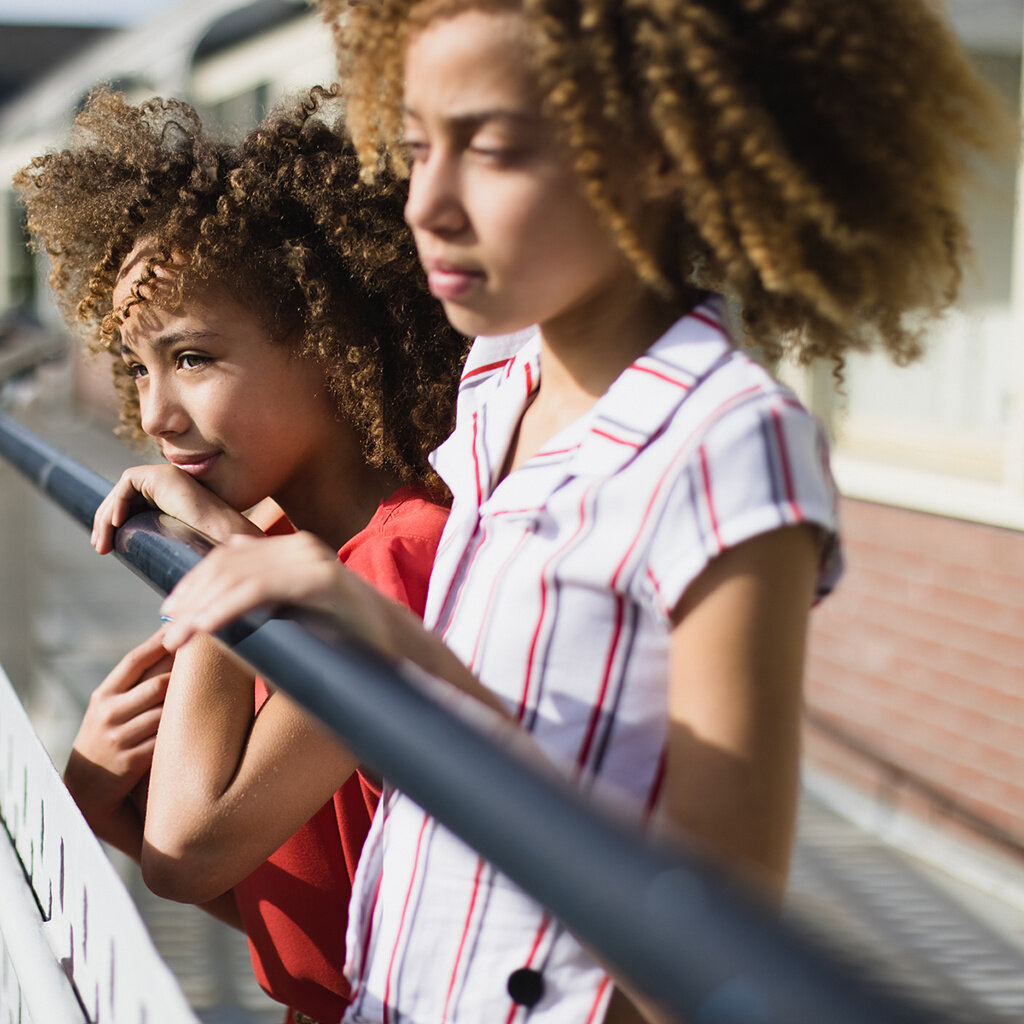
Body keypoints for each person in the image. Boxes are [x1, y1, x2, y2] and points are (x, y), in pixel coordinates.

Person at [155, 0, 1014, 1021]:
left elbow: (707, 951)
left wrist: (393, 645)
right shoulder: (497, 377)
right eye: (419, 146)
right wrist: (220, 547)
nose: (427, 201)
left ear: (661, 150)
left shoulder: (732, 439)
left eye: (495, 150)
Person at [14, 86, 469, 1024]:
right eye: (140, 365)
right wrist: (100, 802)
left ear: (333, 342)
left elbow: (191, 856)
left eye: (193, 359)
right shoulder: (298, 552)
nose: (154, 416)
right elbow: (290, 904)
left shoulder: (398, 563)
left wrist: (216, 553)